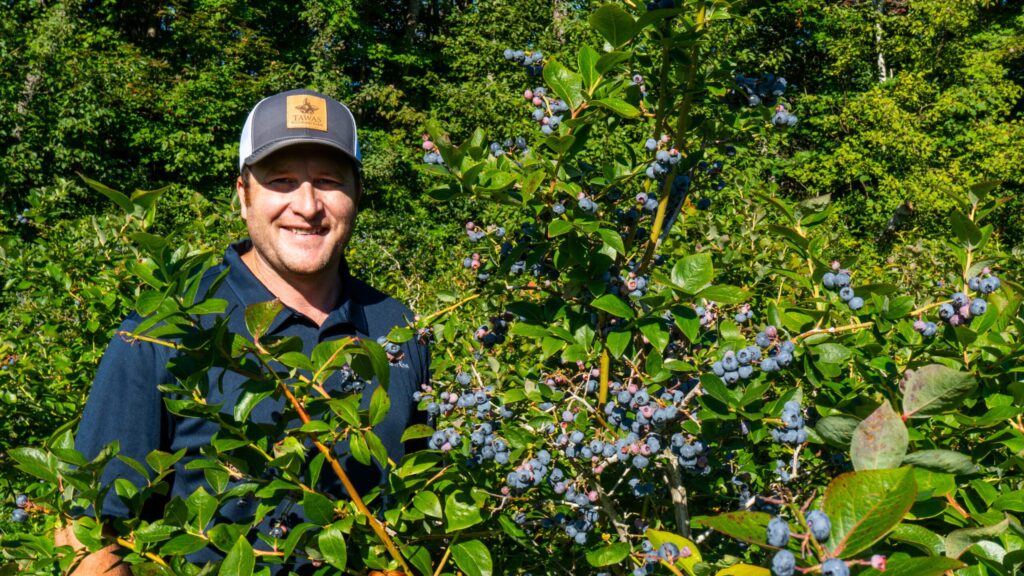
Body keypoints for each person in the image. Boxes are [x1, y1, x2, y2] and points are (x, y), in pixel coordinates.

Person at [57, 89, 429, 574]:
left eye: (328, 181)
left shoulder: (397, 326)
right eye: (281, 180)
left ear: (356, 193)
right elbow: (89, 535)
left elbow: (421, 501)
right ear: (243, 194)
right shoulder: (160, 333)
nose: (307, 205)